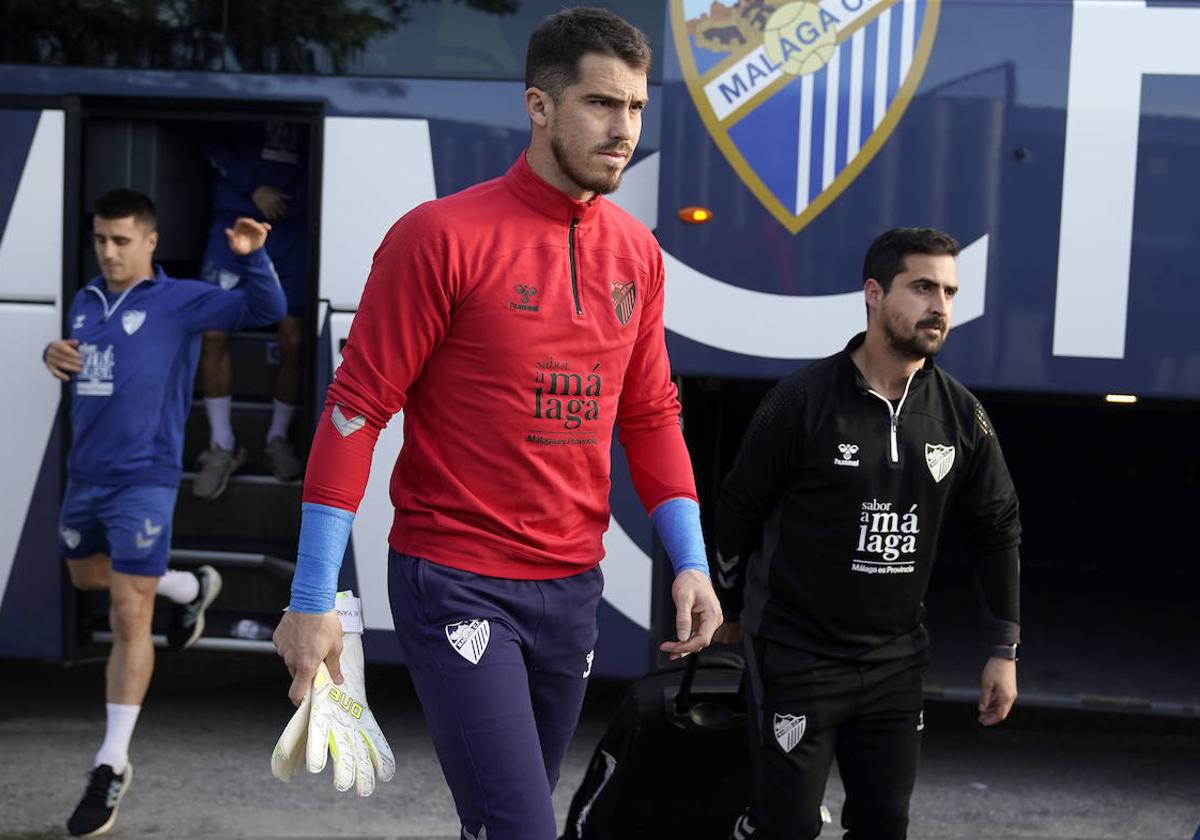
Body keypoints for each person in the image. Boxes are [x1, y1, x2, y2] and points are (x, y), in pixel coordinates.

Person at [271, 8, 723, 839]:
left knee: (501, 821)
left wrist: (689, 563)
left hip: (572, 586)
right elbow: (354, 413)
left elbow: (652, 414)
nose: (623, 129)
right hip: (456, 579)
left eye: (634, 109)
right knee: (522, 827)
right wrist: (313, 599)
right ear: (539, 106)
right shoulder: (438, 237)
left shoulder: (636, 252)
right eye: (600, 104)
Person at [714, 228, 1021, 840]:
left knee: (884, 824)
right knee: (788, 825)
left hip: (895, 662)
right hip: (797, 655)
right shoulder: (800, 401)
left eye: (950, 292)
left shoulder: (962, 415)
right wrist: (725, 607)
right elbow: (737, 510)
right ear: (874, 294)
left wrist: (1003, 650)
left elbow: (997, 527)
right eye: (923, 287)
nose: (940, 306)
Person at [43, 188, 286, 837]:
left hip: (145, 479)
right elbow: (80, 358)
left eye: (122, 240)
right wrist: (52, 354)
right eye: (101, 240)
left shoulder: (180, 300)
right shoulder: (87, 299)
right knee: (86, 578)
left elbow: (267, 309)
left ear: (150, 242)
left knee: (128, 610)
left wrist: (253, 258)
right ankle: (192, 585)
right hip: (86, 477)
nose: (109, 251)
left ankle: (111, 761)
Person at [193, 119, 309, 499]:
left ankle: (277, 439)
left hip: (289, 231)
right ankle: (222, 445)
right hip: (233, 224)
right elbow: (207, 136)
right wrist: (253, 187)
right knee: (213, 332)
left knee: (293, 338)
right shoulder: (246, 74)